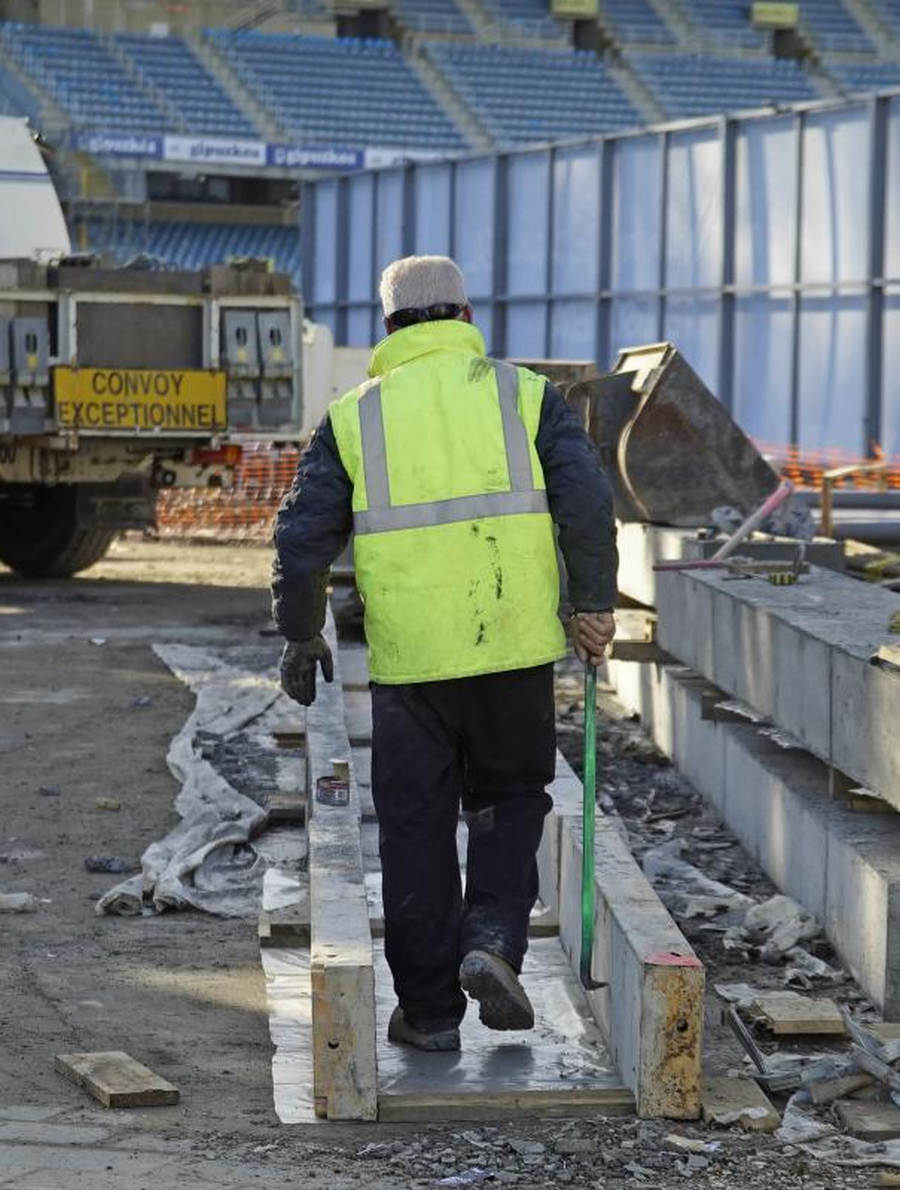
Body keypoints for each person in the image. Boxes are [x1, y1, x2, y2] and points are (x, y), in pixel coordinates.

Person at [272, 255, 618, 1052]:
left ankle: (429, 1014)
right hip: (514, 654)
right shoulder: (526, 395)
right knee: (507, 801)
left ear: (387, 329)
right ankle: (492, 940)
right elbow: (587, 502)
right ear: (465, 313)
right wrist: (592, 604)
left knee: (415, 829)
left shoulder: (354, 415)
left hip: (410, 669)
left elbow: (301, 538)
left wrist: (300, 630)